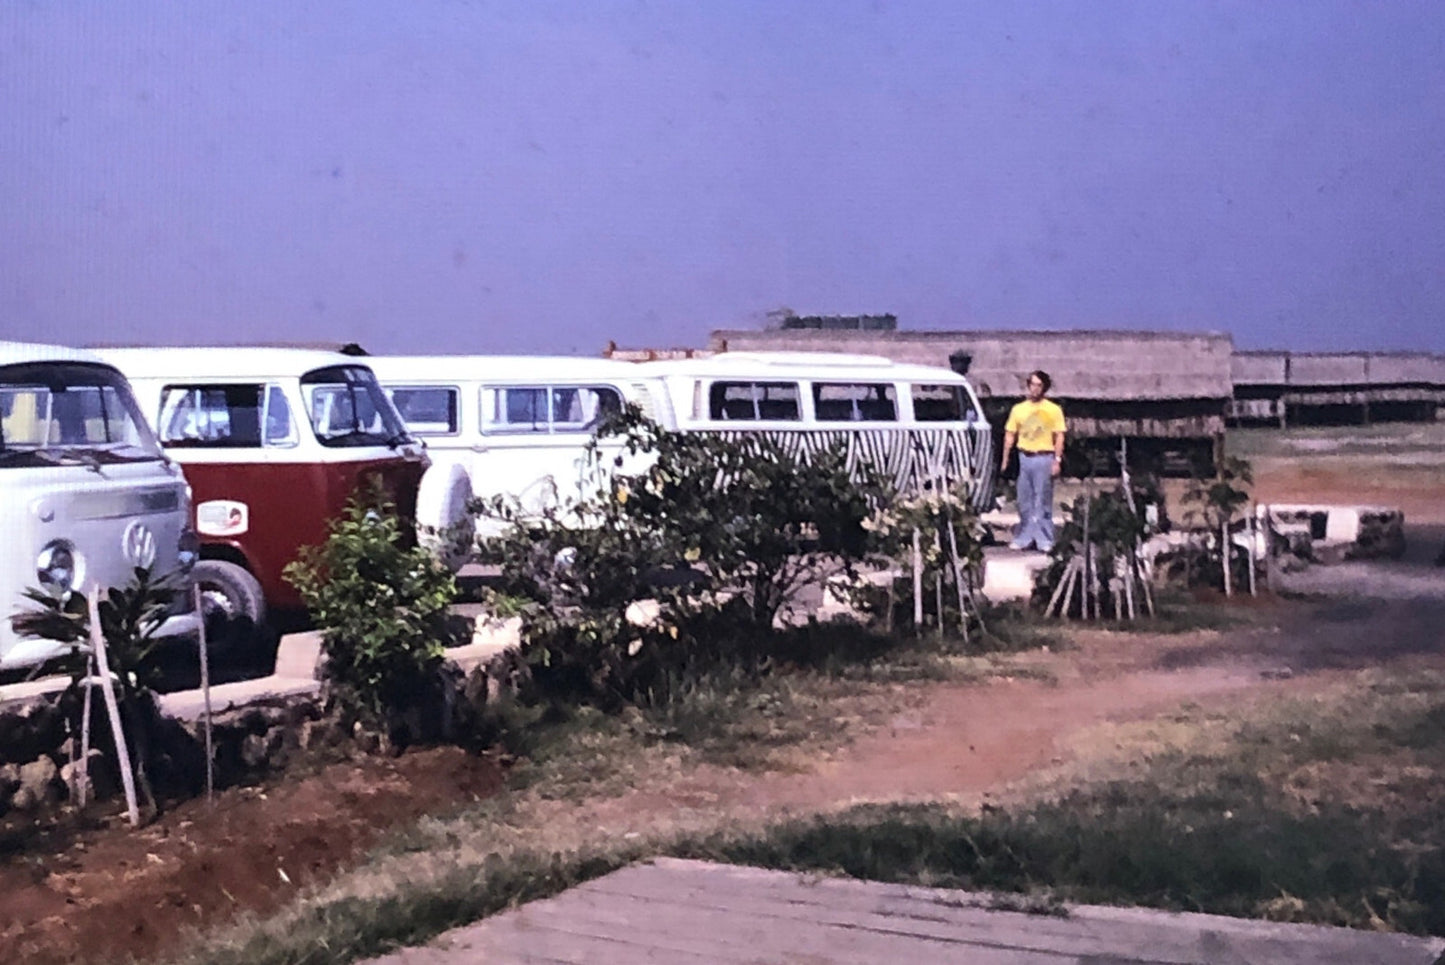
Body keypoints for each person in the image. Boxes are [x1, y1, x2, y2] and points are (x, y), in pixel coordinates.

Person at [999, 370, 1067, 552]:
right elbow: (1010, 434)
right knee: (1024, 500)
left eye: (1039, 385)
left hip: (1044, 456)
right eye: (1032, 384)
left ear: (1044, 387)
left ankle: (1045, 538)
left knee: (1042, 499)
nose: (1035, 389)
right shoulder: (1018, 409)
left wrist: (1057, 460)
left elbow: (1059, 436)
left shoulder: (1053, 410)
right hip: (1025, 457)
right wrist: (1005, 459)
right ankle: (1024, 537)